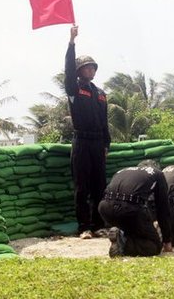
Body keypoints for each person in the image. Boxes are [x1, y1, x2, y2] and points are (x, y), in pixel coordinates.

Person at [64, 25, 111, 239]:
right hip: (81, 142)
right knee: (82, 187)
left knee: (99, 185)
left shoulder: (100, 94)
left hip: (97, 143)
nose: (90, 70)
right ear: (79, 70)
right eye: (86, 67)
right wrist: (72, 42)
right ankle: (84, 227)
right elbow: (67, 70)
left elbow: (105, 122)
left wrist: (106, 145)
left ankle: (98, 224)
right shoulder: (74, 89)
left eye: (93, 67)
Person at [98, 160, 173, 257]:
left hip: (105, 208)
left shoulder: (123, 170)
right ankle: (123, 241)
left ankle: (121, 233)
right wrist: (167, 241)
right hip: (129, 209)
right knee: (154, 247)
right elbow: (163, 208)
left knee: (135, 229)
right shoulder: (158, 174)